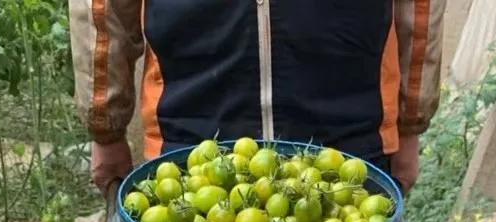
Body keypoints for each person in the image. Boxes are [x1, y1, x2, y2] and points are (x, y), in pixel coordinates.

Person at [68, 0, 445, 194]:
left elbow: (419, 7)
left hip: (349, 138)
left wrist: (410, 120)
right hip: (192, 142)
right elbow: (104, 10)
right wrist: (105, 123)